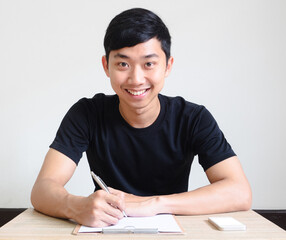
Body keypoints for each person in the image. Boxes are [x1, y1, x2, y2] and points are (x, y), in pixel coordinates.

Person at [31, 8, 252, 228]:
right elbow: (42, 189)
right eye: (123, 64)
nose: (136, 79)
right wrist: (77, 206)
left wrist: (154, 203)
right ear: (106, 66)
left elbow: (240, 192)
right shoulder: (87, 114)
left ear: (168, 66)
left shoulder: (193, 118)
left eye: (149, 63)